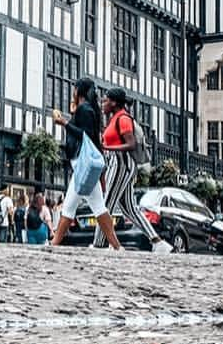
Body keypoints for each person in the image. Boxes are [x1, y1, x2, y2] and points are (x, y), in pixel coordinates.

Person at [96, 87, 172, 256]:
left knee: (105, 203)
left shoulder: (123, 119)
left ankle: (99, 244)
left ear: (114, 102)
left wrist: (107, 147)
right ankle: (157, 241)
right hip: (120, 164)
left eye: (105, 100)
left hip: (121, 164)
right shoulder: (116, 118)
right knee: (129, 208)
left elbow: (131, 145)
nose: (103, 103)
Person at [50, 78, 116, 248]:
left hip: (81, 163)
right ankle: (116, 245)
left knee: (81, 205)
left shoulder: (84, 109)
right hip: (81, 164)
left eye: (74, 89)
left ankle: (55, 243)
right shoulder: (88, 110)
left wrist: (64, 122)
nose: (73, 92)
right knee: (89, 205)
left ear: (79, 90)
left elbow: (84, 135)